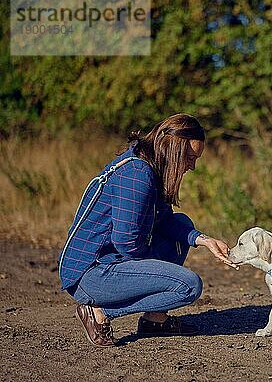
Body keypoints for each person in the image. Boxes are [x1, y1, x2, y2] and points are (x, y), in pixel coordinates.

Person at [58, 113, 237, 347]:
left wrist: (203, 240)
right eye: (190, 157)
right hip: (91, 273)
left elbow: (165, 221)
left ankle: (155, 319)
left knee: (181, 228)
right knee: (188, 286)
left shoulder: (151, 168)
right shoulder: (137, 174)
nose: (192, 166)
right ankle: (99, 311)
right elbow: (126, 243)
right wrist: (160, 272)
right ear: (174, 149)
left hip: (109, 262)